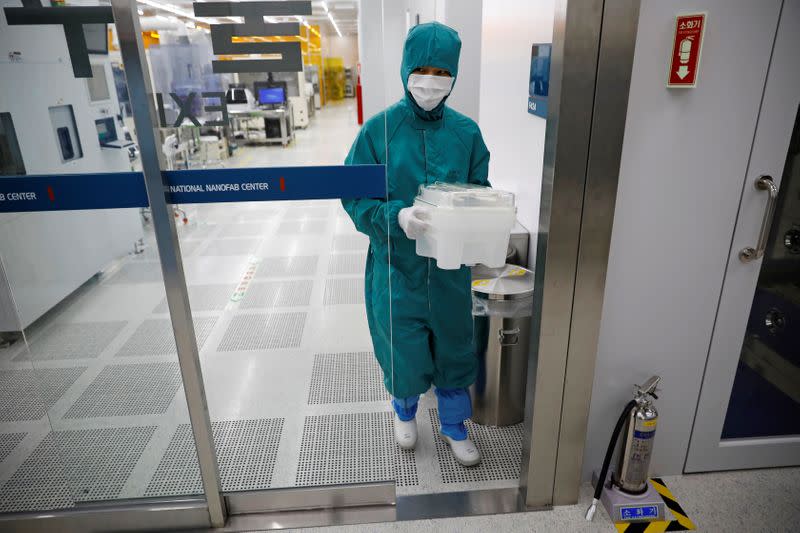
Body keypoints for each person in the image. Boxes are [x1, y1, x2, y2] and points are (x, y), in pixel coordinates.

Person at [342, 22, 490, 467]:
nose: (430, 81)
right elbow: (354, 196)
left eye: (440, 71)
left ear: (453, 76)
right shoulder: (378, 131)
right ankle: (404, 412)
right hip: (396, 267)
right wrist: (396, 215)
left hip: (448, 270)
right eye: (422, 69)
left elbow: (481, 189)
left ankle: (453, 425)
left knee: (453, 346)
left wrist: (471, 218)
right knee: (401, 347)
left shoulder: (466, 134)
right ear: (406, 69)